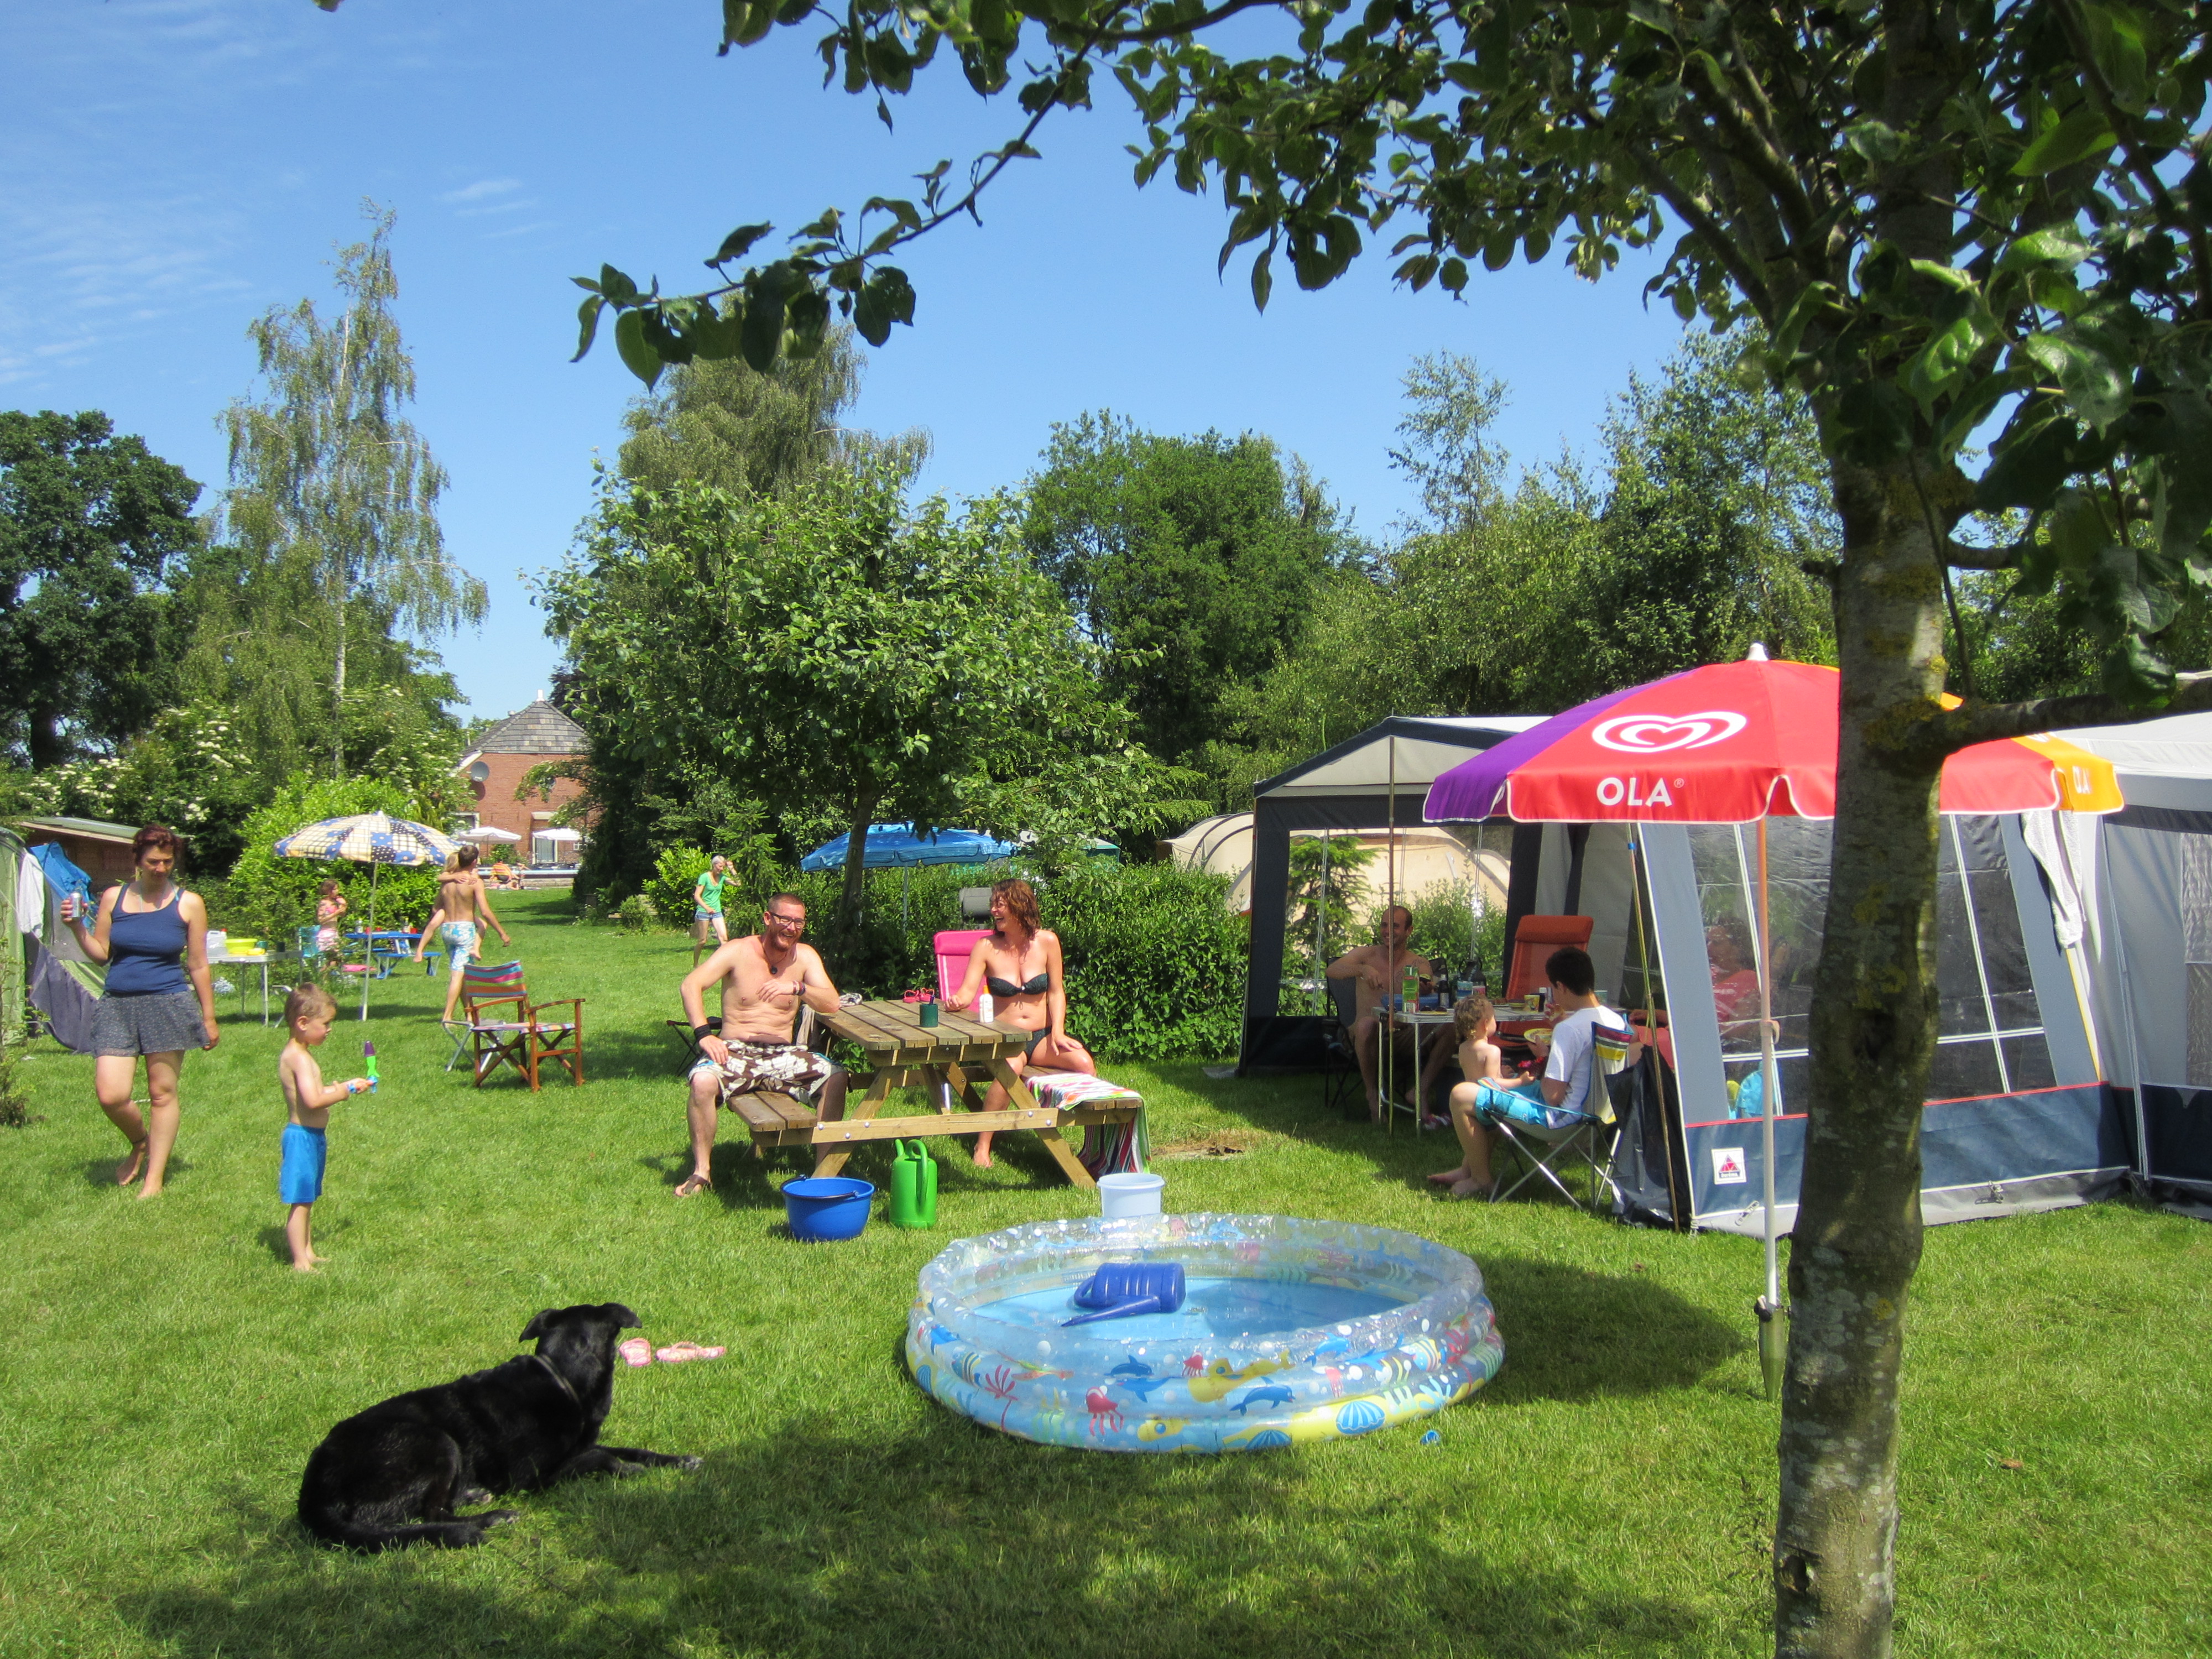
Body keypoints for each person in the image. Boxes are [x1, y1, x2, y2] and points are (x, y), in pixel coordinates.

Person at [62, 823, 219, 1197]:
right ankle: (140, 1142)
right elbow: (101, 953)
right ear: (137, 860)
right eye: (153, 862)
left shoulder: (189, 903)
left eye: (167, 861)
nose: (161, 868)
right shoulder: (113, 898)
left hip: (168, 1004)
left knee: (162, 1092)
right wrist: (76, 927)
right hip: (117, 1005)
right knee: (111, 1095)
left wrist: (209, 1017)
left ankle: (154, 1180)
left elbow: (198, 964)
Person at [1432, 946, 1642, 1199]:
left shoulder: (1570, 1029)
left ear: (1561, 986)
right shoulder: (1615, 1020)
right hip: (1600, 1117)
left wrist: (1544, 1058)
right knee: (1500, 1086)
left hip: (1562, 1119)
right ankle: (1469, 1169)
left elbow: (1552, 1096)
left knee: (1462, 1094)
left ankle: (1481, 1180)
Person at [674, 893, 848, 1197]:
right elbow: (691, 985)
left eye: (798, 922)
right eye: (785, 919)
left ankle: (824, 1172)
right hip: (736, 1049)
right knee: (702, 1081)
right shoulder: (738, 950)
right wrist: (704, 1035)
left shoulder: (805, 957)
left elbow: (831, 1003)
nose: (791, 928)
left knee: (836, 1077)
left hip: (782, 1054)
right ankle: (701, 1172)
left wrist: (797, 987)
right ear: (768, 919)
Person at [944, 878, 1095, 1168]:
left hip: (1041, 1036)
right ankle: (983, 1145)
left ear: (1020, 906)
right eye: (993, 904)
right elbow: (966, 993)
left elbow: (1056, 992)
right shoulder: (986, 946)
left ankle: (1091, 1147)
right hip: (1007, 1039)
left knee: (1084, 1064)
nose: (994, 910)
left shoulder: (1047, 941)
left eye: (1000, 904)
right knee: (1011, 1069)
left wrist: (1058, 1032)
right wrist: (955, 1002)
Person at [276, 982, 370, 1272]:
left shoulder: (301, 1054)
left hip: (313, 1136)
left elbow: (315, 1094)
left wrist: (345, 1086)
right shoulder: (299, 1059)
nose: (330, 1030)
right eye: (326, 1024)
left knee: (309, 1197)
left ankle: (308, 1251)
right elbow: (314, 1100)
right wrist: (344, 1092)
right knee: (300, 1201)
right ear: (303, 1023)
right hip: (302, 1138)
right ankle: (300, 1262)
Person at [1326, 905, 1437, 1123]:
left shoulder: (1418, 963)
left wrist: (1425, 988)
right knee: (1367, 1024)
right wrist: (1362, 969)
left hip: (1404, 1035)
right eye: (1384, 925)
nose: (1387, 931)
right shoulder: (1365, 955)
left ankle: (1420, 1090)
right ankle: (1372, 1095)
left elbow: (1427, 983)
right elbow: (1333, 970)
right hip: (1366, 1035)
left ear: (1409, 931)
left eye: (1395, 926)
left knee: (1450, 1028)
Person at [414, 844, 514, 1022]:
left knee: (462, 974)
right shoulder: (474, 882)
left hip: (447, 930)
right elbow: (485, 912)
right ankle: (447, 1017)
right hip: (464, 932)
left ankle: (470, 1014)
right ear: (474, 861)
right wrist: (502, 932)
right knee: (457, 976)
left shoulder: (447, 882)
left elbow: (436, 908)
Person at [691, 855, 732, 967]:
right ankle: (696, 964)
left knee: (724, 939)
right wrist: (707, 908)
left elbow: (739, 883)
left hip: (717, 911)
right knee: (703, 941)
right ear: (714, 865)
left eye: (723, 867)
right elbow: (697, 896)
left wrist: (732, 869)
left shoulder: (722, 877)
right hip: (703, 912)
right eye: (720, 866)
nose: (722, 869)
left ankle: (722, 966)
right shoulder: (705, 877)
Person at [314, 880, 349, 957]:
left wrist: (344, 905)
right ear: (328, 890)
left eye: (337, 889)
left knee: (336, 959)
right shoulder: (324, 902)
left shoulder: (335, 902)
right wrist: (336, 913)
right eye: (334, 889)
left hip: (334, 932)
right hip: (326, 933)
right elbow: (321, 920)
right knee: (335, 958)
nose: (337, 891)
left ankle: (327, 966)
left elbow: (342, 915)